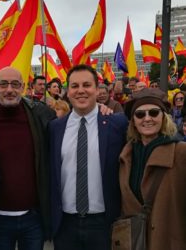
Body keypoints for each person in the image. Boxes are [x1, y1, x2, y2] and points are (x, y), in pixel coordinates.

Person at [0, 67, 56, 250]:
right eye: (3, 84)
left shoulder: (42, 115)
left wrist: (100, 108)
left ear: (23, 87)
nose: (9, 89)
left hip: (33, 217)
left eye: (15, 84)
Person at [49, 64, 128, 250]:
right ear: (67, 92)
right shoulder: (54, 128)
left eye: (87, 85)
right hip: (65, 223)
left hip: (104, 223)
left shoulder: (117, 124)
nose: (81, 91)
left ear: (97, 89)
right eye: (74, 86)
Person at [120, 88, 186, 250]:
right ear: (133, 121)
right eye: (140, 114)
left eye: (154, 113)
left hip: (169, 241)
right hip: (134, 241)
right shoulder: (125, 155)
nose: (147, 119)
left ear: (164, 117)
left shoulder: (180, 152)